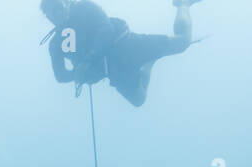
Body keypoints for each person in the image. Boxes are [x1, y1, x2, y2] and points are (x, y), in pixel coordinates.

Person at [41, 0, 203, 109]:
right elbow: (60, 76)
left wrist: (87, 61)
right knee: (139, 100)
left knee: (182, 42)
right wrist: (77, 74)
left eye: (57, 8)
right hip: (114, 71)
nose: (55, 15)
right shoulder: (55, 44)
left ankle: (183, 4)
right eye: (49, 14)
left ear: (66, 3)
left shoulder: (84, 7)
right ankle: (150, 61)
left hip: (126, 45)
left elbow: (107, 30)